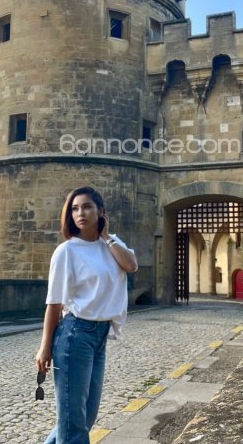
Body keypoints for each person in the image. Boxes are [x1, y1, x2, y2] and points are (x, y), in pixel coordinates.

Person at [35, 185, 138, 444]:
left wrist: (107, 237)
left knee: (83, 418)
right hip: (75, 335)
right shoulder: (67, 251)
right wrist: (45, 347)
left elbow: (131, 265)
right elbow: (54, 304)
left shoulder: (112, 244)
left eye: (87, 207)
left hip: (99, 337)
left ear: (101, 211)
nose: (80, 213)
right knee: (73, 423)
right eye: (74, 209)